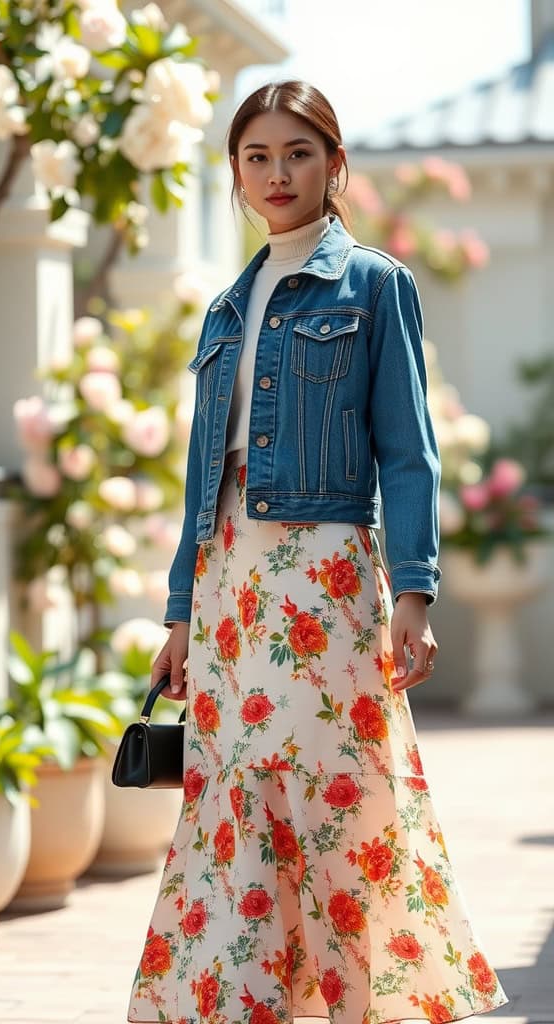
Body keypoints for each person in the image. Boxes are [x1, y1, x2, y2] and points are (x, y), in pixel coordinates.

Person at [127, 80, 508, 1024]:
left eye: (297, 152)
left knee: (337, 793)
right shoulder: (225, 306)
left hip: (325, 579)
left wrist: (413, 592)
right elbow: (199, 479)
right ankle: (247, 999)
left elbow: (408, 451)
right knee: (237, 801)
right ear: (237, 174)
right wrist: (182, 613)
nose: (276, 173)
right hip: (230, 590)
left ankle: (364, 1002)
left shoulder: (374, 285)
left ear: (334, 165)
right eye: (256, 156)